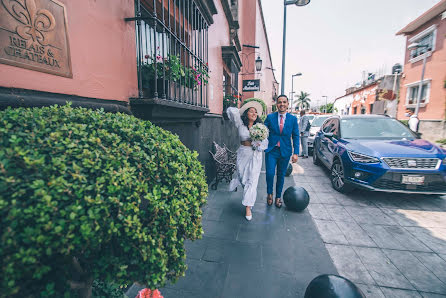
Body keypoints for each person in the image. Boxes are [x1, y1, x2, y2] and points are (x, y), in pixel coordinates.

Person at [226, 102, 268, 221]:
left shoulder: (260, 127)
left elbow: (265, 143)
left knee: (252, 181)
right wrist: (241, 110)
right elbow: (230, 110)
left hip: (256, 155)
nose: (254, 113)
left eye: (256, 112)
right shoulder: (240, 124)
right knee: (242, 177)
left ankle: (248, 207)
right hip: (243, 153)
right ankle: (247, 197)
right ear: (246, 114)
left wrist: (259, 144)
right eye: (251, 111)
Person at [264, 95, 299, 208]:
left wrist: (296, 153)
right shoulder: (270, 117)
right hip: (271, 150)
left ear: (288, 104)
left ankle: (278, 197)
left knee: (281, 175)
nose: (282, 104)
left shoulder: (293, 119)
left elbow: (296, 136)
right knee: (269, 174)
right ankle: (270, 193)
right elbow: (263, 130)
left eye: (284, 102)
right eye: (279, 102)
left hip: (285, 151)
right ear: (276, 104)